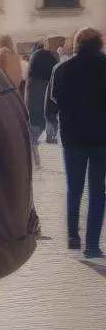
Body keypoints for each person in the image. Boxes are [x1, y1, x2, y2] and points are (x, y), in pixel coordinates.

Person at [46, 27, 106, 259]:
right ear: (99, 43)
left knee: (74, 188)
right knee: (98, 191)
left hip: (72, 137)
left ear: (77, 43)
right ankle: (92, 245)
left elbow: (52, 104)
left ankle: (73, 236)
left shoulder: (62, 68)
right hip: (102, 138)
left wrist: (52, 119)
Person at [27, 40, 59, 149]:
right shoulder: (54, 55)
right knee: (49, 112)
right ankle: (50, 136)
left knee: (35, 113)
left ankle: (34, 137)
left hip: (36, 85)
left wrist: (27, 92)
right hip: (49, 84)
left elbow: (29, 74)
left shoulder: (35, 55)